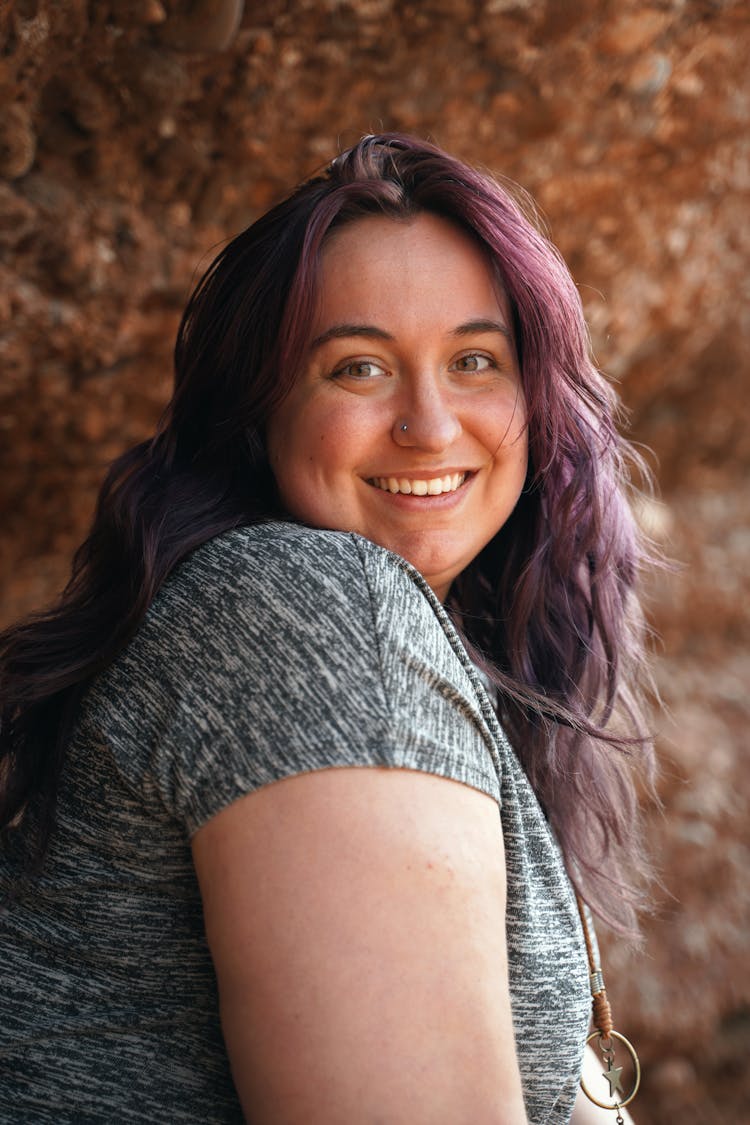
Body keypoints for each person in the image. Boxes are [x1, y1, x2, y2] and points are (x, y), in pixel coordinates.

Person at [0, 134, 654, 1123]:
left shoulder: (388, 639)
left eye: (476, 359)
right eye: (358, 367)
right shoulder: (319, 613)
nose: (430, 426)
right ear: (257, 413)